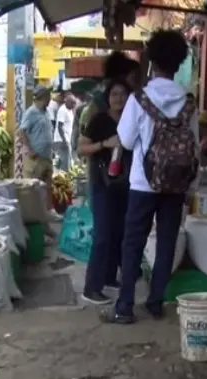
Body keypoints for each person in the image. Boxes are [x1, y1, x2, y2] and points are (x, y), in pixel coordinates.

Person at [103, 29, 200, 324]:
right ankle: (156, 302)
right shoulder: (189, 101)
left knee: (133, 242)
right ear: (178, 64)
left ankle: (125, 307)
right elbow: (194, 145)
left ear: (152, 62)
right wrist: (192, 186)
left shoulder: (140, 98)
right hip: (176, 184)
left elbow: (127, 141)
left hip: (143, 183)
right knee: (167, 241)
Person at [77, 79, 133, 304]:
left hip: (125, 184)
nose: (119, 99)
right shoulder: (99, 120)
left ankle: (110, 277)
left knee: (118, 233)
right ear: (107, 98)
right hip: (101, 184)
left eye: (123, 94)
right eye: (114, 94)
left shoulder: (131, 120)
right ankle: (91, 288)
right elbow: (81, 148)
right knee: (102, 235)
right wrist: (104, 145)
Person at [14, 85, 54, 190]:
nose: (50, 99)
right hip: (35, 160)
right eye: (48, 96)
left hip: (47, 158)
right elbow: (21, 131)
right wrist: (30, 150)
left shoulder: (46, 112)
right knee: (33, 190)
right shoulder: (31, 113)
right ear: (43, 97)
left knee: (47, 190)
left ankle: (46, 207)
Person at [54, 95, 76, 171]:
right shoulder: (63, 110)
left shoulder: (69, 110)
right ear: (66, 101)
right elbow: (60, 127)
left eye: (74, 103)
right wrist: (64, 141)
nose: (74, 105)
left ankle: (62, 178)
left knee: (67, 163)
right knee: (65, 165)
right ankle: (64, 181)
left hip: (66, 139)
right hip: (62, 140)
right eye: (72, 103)